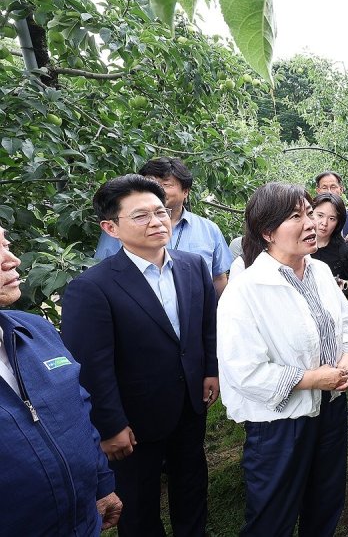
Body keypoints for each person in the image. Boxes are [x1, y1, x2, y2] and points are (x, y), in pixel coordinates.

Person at [62, 174, 219, 536]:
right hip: (133, 419)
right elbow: (92, 367)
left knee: (191, 482)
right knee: (138, 502)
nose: (156, 221)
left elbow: (206, 325)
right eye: (141, 216)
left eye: (160, 212)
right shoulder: (92, 288)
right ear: (111, 228)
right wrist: (110, 424)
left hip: (189, 401)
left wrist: (210, 368)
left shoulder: (192, 264)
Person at [217, 183, 348, 536]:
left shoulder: (320, 272)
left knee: (325, 497)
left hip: (330, 406)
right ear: (267, 232)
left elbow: (341, 322)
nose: (311, 223)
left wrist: (345, 358)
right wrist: (311, 379)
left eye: (309, 213)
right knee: (273, 513)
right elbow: (243, 370)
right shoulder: (246, 290)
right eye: (297, 216)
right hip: (279, 422)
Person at [0, 224, 123, 535]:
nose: (12, 259)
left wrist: (101, 484)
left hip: (82, 521)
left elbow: (76, 411)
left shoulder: (34, 331)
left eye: (6, 245)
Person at [94, 157, 233, 296]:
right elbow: (102, 272)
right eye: (151, 183)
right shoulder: (121, 228)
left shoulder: (209, 229)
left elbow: (219, 278)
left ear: (185, 191)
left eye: (166, 184)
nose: (157, 189)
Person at [311, 192, 348, 306]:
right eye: (320, 215)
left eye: (332, 218)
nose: (324, 223)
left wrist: (339, 284)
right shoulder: (296, 248)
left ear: (339, 222)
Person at [315, 170, 348, 237]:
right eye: (324, 188)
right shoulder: (310, 218)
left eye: (333, 187)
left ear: (341, 189)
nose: (329, 191)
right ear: (318, 191)